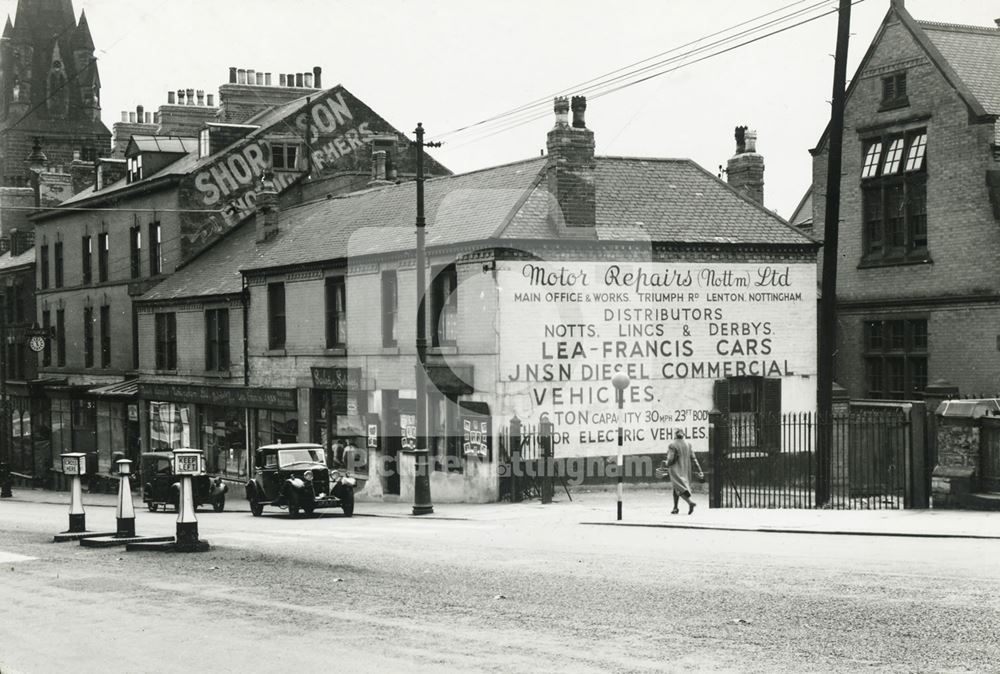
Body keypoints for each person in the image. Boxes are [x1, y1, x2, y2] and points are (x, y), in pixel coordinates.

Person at [666, 430, 703, 515]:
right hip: (685, 470)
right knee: (677, 488)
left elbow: (671, 459)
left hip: (675, 469)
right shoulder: (688, 444)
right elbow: (694, 458)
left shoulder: (672, 445)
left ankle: (690, 503)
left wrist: (667, 464)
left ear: (675, 435)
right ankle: (675, 508)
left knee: (678, 488)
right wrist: (699, 470)